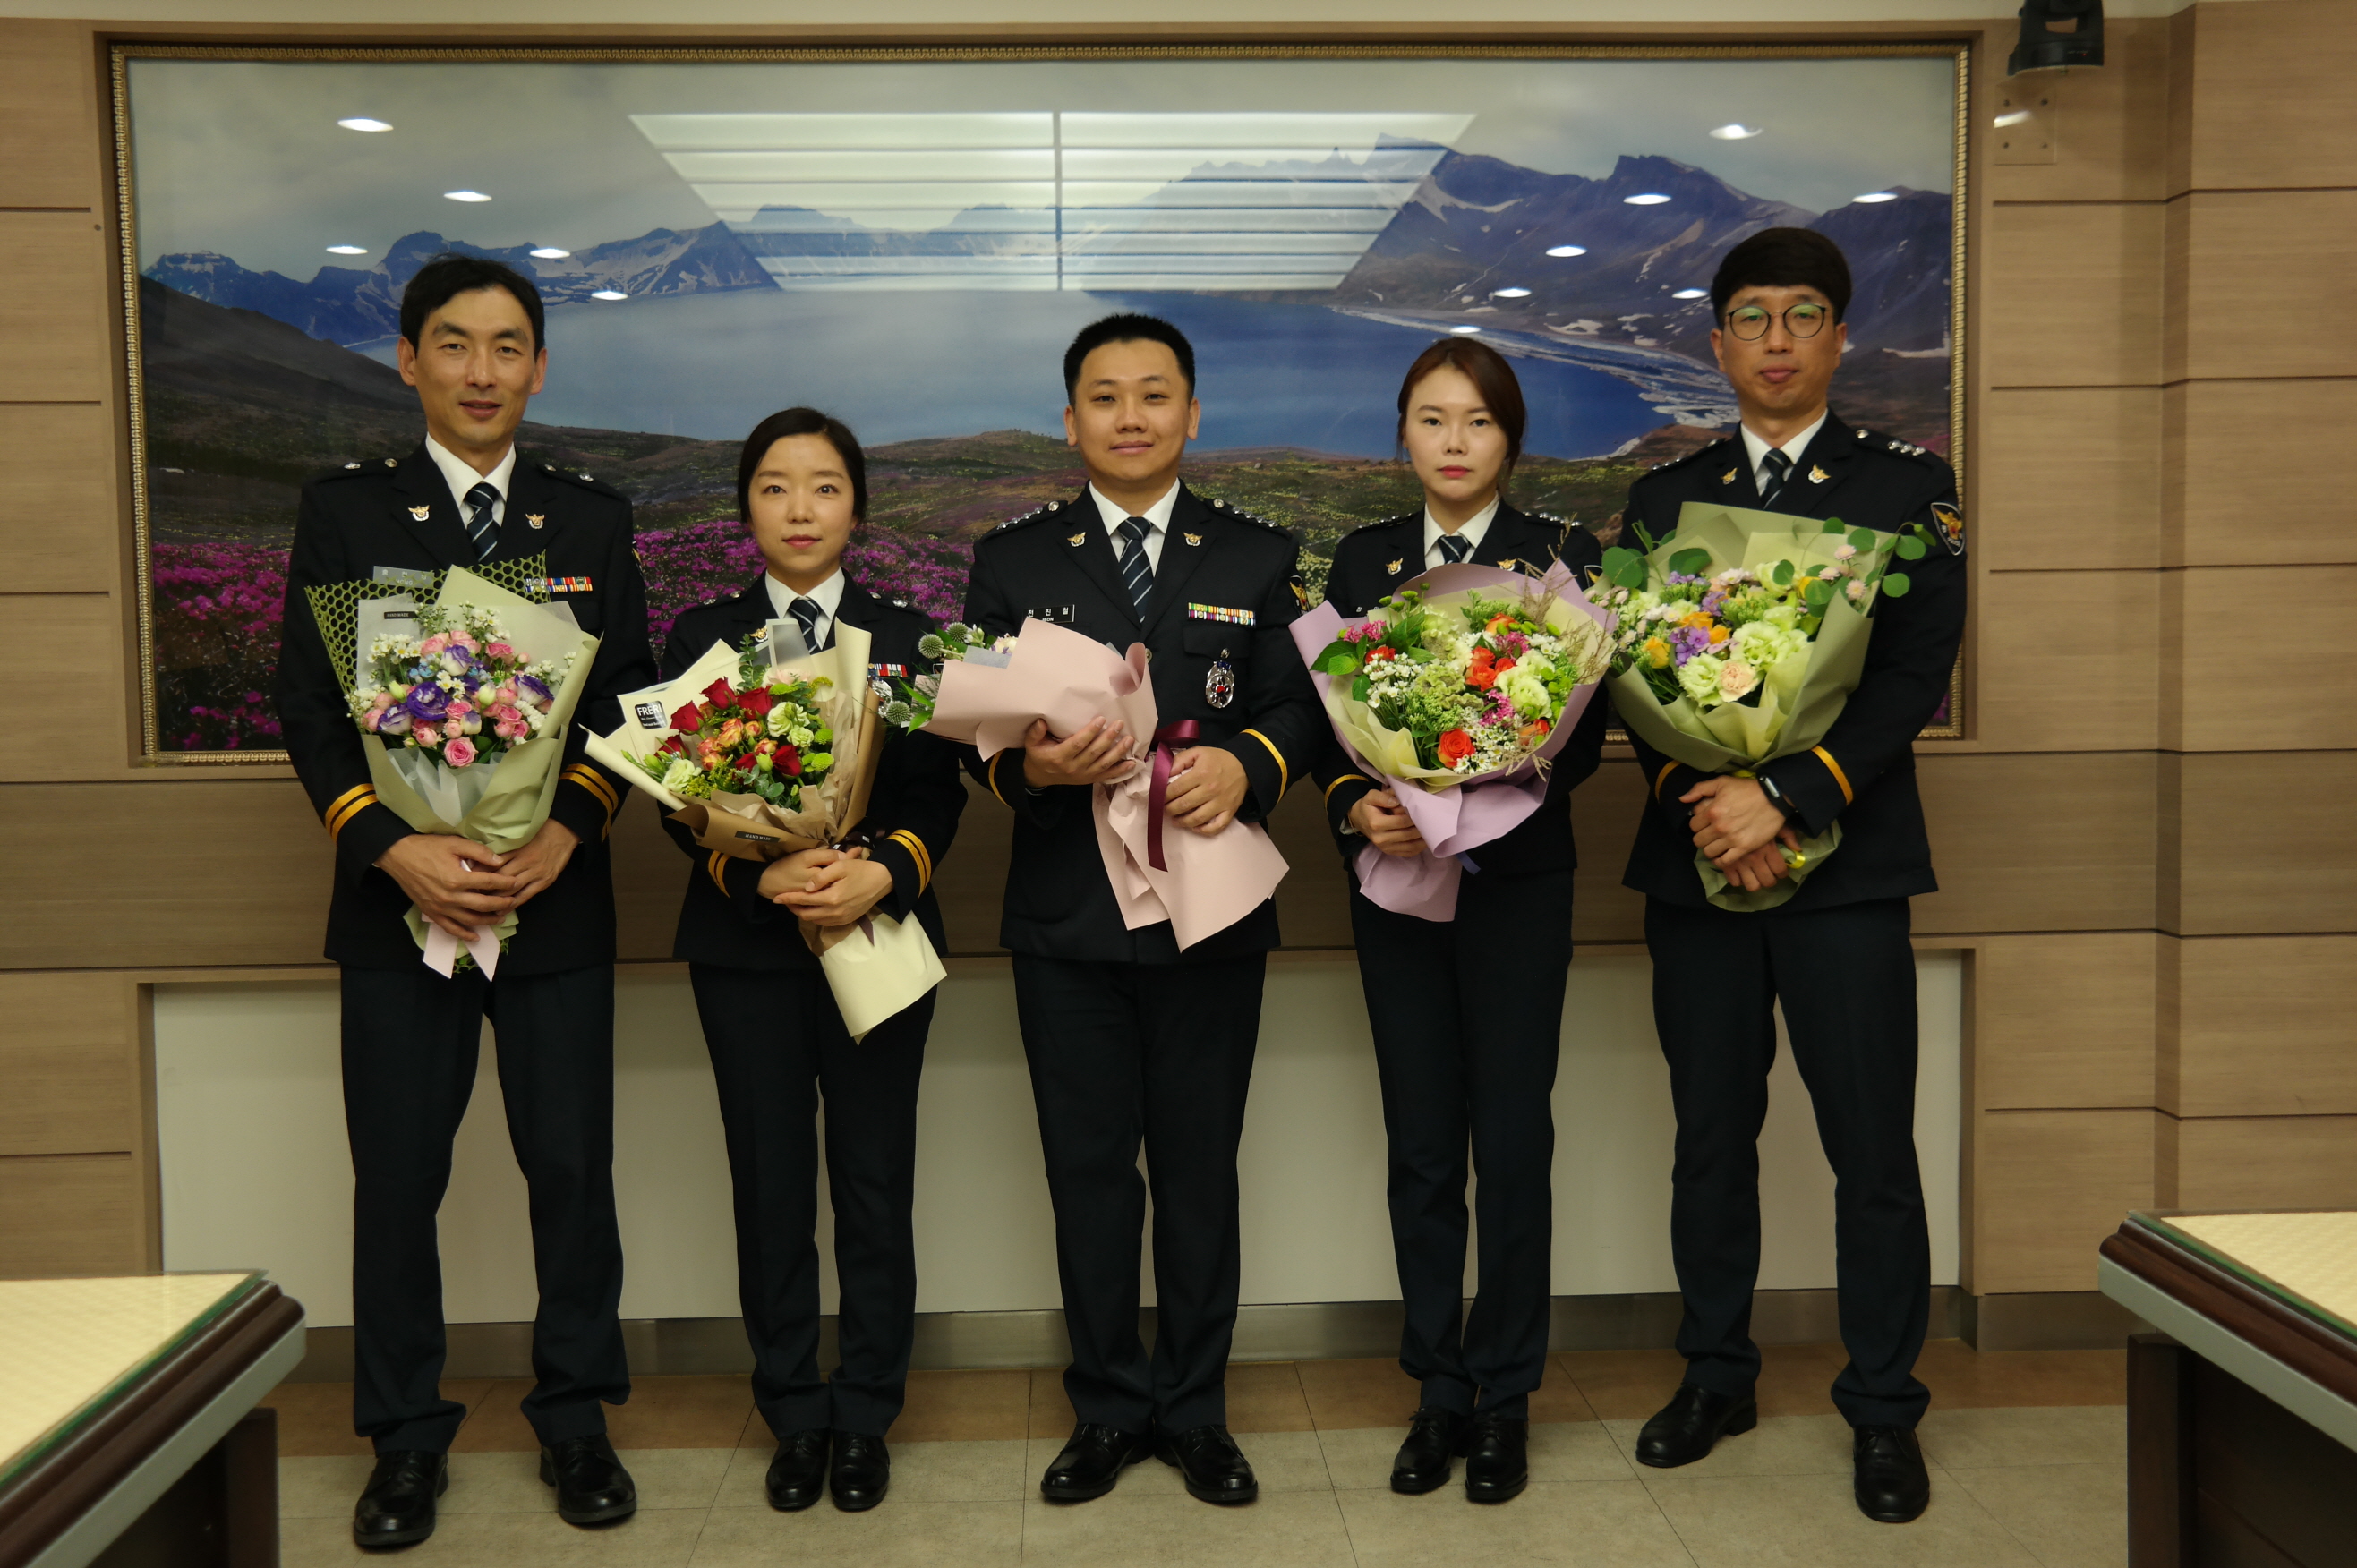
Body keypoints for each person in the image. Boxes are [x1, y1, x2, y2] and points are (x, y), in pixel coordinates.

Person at [274, 255, 655, 1547]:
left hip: (554, 904)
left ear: (539, 367)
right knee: (398, 1179)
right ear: (408, 361)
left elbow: (624, 703)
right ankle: (402, 1441)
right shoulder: (345, 511)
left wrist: (569, 830)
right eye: (454, 344)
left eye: (506, 348)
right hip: (400, 912)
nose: (481, 372)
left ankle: (576, 1422)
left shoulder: (588, 518)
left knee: (572, 1173)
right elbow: (310, 711)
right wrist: (392, 847)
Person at [1614, 227, 1967, 1525]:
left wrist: (1786, 795)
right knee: (1710, 1140)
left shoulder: (1906, 486)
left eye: (1801, 314)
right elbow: (1626, 675)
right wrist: (1716, 803)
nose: (1776, 340)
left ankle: (1882, 1406)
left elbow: (1911, 676)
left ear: (1837, 336)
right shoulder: (1665, 499)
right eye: (1751, 318)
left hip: (1848, 872)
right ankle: (1716, 1375)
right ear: (1717, 346)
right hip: (1698, 861)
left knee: (1869, 1147)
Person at [961, 313, 1324, 1507]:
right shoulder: (1013, 559)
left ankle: (1197, 1410)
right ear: (1070, 421)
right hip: (1066, 916)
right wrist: (1030, 770)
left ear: (1192, 414)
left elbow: (1299, 705)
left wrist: (1251, 765)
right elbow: (975, 737)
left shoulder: (1256, 554)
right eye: (1106, 397)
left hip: (1209, 907)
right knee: (1088, 1176)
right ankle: (1109, 1408)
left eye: (1154, 394)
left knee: (1199, 1169)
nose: (1131, 416)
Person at [1310, 337, 1608, 1504]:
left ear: (1509, 438)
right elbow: (1327, 724)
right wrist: (1359, 804)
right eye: (1431, 419)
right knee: (1423, 1143)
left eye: (1476, 421)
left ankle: (1508, 1395)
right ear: (1402, 434)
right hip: (1396, 886)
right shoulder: (1365, 559)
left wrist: (1486, 793)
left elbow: (1581, 740)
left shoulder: (1560, 560)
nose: (1452, 441)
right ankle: (1437, 1388)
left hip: (1518, 886)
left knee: (1514, 1139)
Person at [657, 407, 964, 1516]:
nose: (800, 509)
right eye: (775, 487)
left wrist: (882, 871)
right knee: (770, 1185)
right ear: (746, 506)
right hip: (745, 949)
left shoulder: (908, 634)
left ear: (857, 508)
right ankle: (793, 1409)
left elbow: (937, 796)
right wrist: (761, 873)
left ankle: (867, 1410)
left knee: (875, 1183)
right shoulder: (702, 634)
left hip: (876, 934)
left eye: (824, 487)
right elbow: (674, 801)